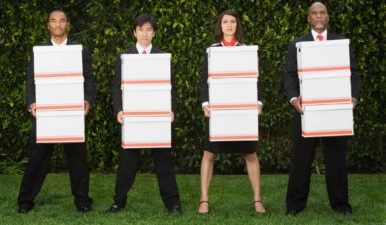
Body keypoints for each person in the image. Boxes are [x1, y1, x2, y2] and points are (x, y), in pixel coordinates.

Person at [283, 2, 360, 216]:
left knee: (336, 158)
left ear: (327, 17)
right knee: (301, 158)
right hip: (305, 110)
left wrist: (352, 98)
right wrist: (293, 99)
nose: (318, 16)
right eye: (314, 13)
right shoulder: (297, 44)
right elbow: (289, 75)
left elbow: (352, 72)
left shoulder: (341, 43)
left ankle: (341, 204)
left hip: (335, 110)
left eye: (322, 12)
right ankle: (294, 205)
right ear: (309, 18)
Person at [18, 10, 95, 213]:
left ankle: (82, 201)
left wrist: (87, 100)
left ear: (67, 24)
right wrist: (31, 102)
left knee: (78, 159)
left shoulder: (80, 51)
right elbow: (30, 80)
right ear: (48, 25)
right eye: (54, 20)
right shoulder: (39, 51)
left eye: (62, 21)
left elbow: (89, 79)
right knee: (37, 159)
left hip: (72, 113)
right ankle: (25, 201)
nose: (58, 24)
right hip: (45, 113)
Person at [107, 14, 181, 214]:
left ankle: (173, 203)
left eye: (149, 29)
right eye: (141, 29)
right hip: (132, 118)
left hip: (158, 117)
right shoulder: (124, 57)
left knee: (164, 161)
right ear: (134, 32)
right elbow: (116, 87)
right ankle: (118, 202)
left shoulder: (162, 56)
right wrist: (119, 110)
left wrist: (172, 110)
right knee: (127, 163)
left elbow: (171, 87)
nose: (145, 33)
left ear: (154, 33)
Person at [198, 10, 266, 214]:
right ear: (220, 26)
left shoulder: (246, 50)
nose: (229, 25)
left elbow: (255, 79)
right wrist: (205, 104)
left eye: (232, 22)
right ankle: (204, 200)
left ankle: (257, 200)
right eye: (225, 21)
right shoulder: (211, 50)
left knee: (251, 154)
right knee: (209, 154)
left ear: (237, 26)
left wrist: (258, 103)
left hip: (242, 110)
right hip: (217, 110)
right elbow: (204, 80)